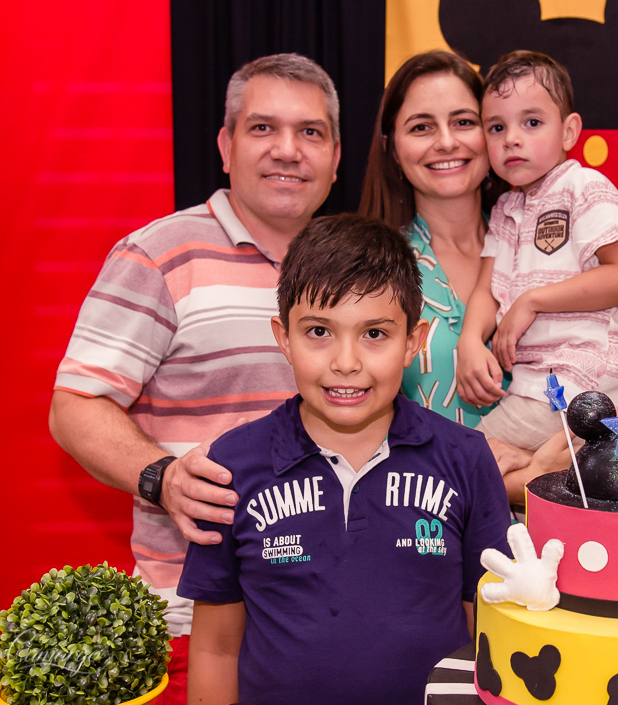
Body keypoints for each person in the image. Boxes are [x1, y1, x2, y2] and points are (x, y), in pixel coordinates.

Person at [48, 53, 340, 705]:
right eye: (263, 128)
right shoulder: (158, 254)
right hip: (196, 614)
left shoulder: (354, 265)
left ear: (336, 157)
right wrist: (162, 477)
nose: (288, 150)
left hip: (333, 611)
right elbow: (76, 404)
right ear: (226, 146)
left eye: (310, 132)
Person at [178, 214, 511, 705]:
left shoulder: (465, 458)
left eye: (374, 334)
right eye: (319, 331)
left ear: (413, 343)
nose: (346, 362)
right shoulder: (229, 468)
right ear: (283, 338)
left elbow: (488, 630)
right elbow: (216, 648)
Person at [457, 50, 618, 503]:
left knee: (459, 460)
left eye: (532, 122)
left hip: (580, 384)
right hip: (537, 389)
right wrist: (469, 341)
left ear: (569, 131)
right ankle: (544, 469)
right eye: (496, 127)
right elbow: (487, 288)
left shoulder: (584, 187)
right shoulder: (506, 209)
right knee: (505, 477)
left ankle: (548, 467)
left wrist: (532, 300)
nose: (512, 139)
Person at [359, 50, 509, 427]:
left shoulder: (541, 249)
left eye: (464, 122)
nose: (446, 142)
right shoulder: (368, 269)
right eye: (421, 127)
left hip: (556, 462)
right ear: (393, 148)